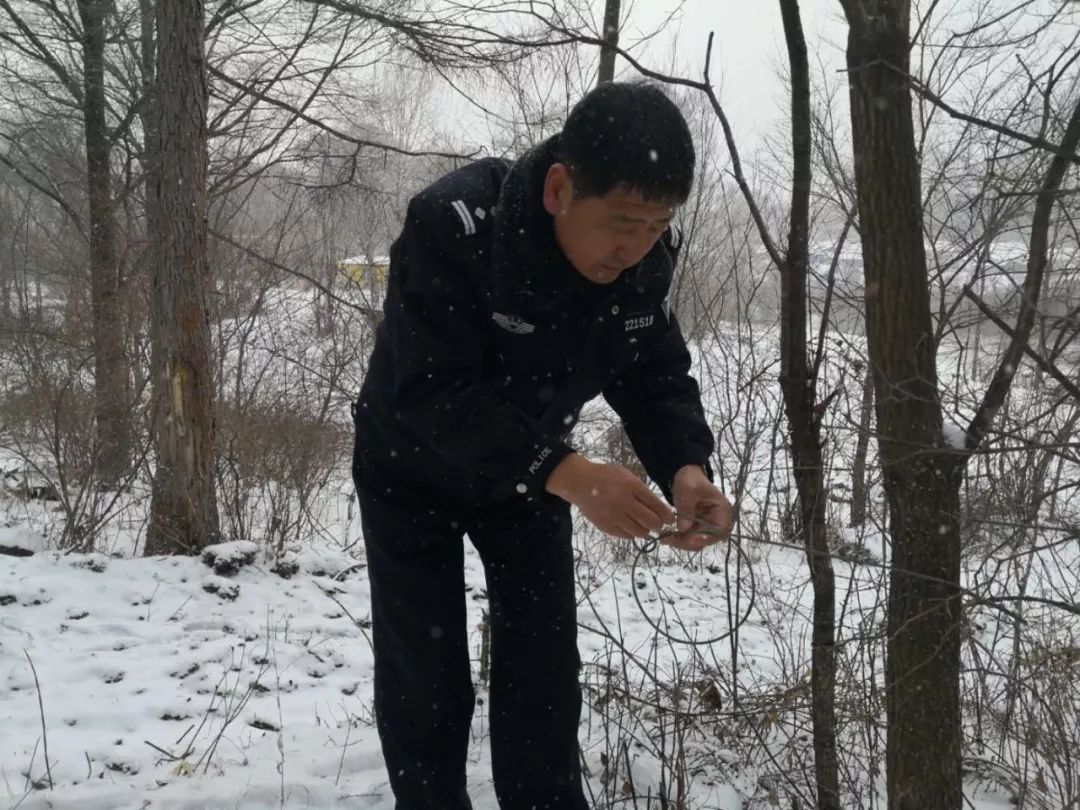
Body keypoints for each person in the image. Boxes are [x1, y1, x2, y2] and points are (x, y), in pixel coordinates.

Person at [350, 81, 735, 810]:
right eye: (623, 222)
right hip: (410, 469)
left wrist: (687, 467)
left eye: (657, 225)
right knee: (426, 674)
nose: (636, 246)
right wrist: (566, 471)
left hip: (528, 476)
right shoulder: (454, 226)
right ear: (560, 188)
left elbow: (654, 373)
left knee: (544, 673)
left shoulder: (641, 264)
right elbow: (432, 391)